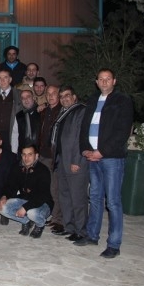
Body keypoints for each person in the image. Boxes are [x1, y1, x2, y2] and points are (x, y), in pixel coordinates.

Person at [74, 68, 133, 259]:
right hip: (93, 157)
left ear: (114, 81)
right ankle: (92, 236)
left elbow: (122, 132)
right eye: (101, 79)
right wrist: (85, 149)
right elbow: (84, 127)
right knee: (95, 197)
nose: (104, 82)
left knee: (113, 201)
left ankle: (114, 244)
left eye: (108, 79)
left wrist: (102, 152)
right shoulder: (93, 100)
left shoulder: (122, 101)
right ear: (97, 82)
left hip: (111, 158)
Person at [52, 85, 89, 242]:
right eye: (61, 96)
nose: (64, 99)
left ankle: (81, 231)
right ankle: (69, 227)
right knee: (65, 196)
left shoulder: (81, 111)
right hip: (62, 160)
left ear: (74, 97)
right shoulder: (64, 113)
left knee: (78, 198)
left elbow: (82, 138)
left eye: (67, 95)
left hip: (75, 161)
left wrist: (77, 161)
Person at [0, 144, 53, 238]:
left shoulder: (43, 170)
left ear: (36, 155)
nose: (26, 158)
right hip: (25, 199)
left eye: (30, 154)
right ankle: (26, 221)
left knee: (31, 213)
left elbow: (42, 195)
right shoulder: (17, 167)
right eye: (24, 154)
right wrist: (4, 196)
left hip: (43, 203)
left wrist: (25, 208)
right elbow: (10, 186)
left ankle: (40, 225)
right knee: (2, 207)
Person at [38, 85, 63, 233]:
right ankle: (51, 215)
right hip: (42, 154)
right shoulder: (44, 111)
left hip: (54, 157)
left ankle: (58, 220)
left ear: (59, 95)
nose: (51, 96)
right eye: (48, 93)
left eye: (54, 93)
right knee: (45, 187)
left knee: (55, 188)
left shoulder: (62, 111)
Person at [0, 69, 22, 153]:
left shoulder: (19, 94)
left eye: (5, 77)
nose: (2, 80)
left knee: (10, 156)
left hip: (11, 132)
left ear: (10, 79)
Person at [12, 89, 41, 154]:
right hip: (23, 152)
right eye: (23, 98)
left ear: (33, 98)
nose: (25, 100)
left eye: (28, 96)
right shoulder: (19, 115)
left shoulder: (42, 113)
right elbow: (15, 134)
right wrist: (14, 151)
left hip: (38, 152)